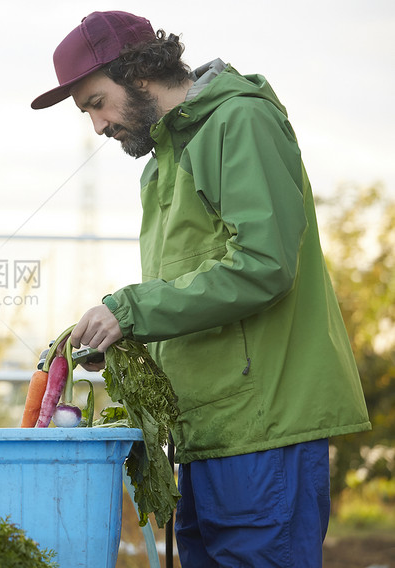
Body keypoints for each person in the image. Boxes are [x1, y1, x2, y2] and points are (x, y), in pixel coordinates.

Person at [31, 11, 371, 567]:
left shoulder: (238, 122)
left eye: (96, 103)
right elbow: (191, 292)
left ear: (138, 72)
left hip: (264, 432)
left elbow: (263, 264)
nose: (97, 126)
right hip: (206, 435)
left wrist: (132, 311)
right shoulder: (161, 165)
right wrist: (122, 338)